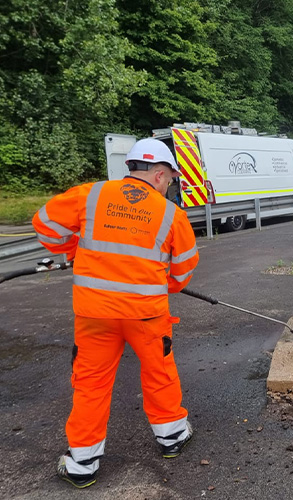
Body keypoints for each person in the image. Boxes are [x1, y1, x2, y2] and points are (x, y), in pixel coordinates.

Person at [32, 138, 199, 489]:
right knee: (159, 372)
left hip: (95, 314)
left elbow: (45, 225)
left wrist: (75, 249)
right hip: (146, 315)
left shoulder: (90, 195)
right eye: (169, 178)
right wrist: (161, 283)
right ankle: (171, 438)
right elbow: (182, 272)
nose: (169, 184)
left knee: (90, 383)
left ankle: (83, 462)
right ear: (157, 174)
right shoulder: (171, 214)